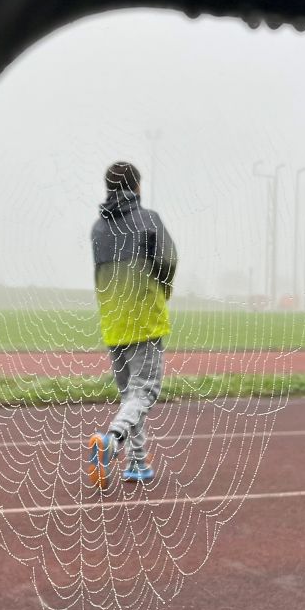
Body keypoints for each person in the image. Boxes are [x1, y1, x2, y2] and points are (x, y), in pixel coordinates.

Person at [86, 161, 177, 489]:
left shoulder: (98, 228)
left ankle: (137, 463)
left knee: (130, 395)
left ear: (108, 188)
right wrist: (162, 292)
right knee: (146, 392)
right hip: (145, 320)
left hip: (113, 323)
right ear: (136, 187)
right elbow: (168, 261)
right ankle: (112, 440)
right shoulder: (149, 220)